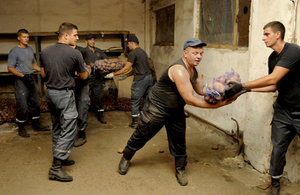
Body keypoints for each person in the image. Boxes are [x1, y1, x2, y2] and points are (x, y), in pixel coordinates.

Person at [117, 38, 232, 186]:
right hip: (157, 108)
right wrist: (217, 106)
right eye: (195, 53)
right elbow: (190, 99)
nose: (199, 56)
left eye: (201, 53)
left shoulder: (194, 71)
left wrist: (220, 92)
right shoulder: (178, 69)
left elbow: (202, 90)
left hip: (176, 109)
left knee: (179, 139)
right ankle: (126, 157)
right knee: (142, 134)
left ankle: (180, 168)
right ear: (185, 53)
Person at [224, 21, 300, 195]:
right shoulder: (273, 58)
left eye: (266, 34)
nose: (263, 38)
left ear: (277, 34)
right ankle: (275, 183)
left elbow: (273, 79)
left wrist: (242, 84)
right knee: (278, 149)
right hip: (283, 109)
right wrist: (244, 90)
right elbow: (273, 87)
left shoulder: (293, 51)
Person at [40, 22, 90, 182]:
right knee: (69, 128)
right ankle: (56, 166)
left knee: (57, 127)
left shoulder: (45, 51)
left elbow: (42, 74)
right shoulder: (74, 53)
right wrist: (88, 69)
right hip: (64, 95)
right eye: (75, 35)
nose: (77, 38)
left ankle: (61, 157)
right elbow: (83, 77)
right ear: (65, 35)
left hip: (50, 94)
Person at [7, 29, 50, 138]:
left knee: (35, 102)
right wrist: (23, 76)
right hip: (21, 80)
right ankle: (21, 127)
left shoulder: (30, 49)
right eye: (24, 37)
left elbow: (33, 64)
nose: (26, 39)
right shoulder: (14, 51)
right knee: (22, 104)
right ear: (19, 38)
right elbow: (10, 68)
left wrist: (41, 69)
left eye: (27, 37)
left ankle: (36, 124)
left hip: (30, 78)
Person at [105, 35, 153, 129]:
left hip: (140, 79)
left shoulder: (133, 53)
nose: (127, 46)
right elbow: (137, 68)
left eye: (128, 44)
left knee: (135, 101)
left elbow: (126, 68)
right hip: (149, 78)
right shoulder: (143, 52)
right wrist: (126, 76)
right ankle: (148, 120)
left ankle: (135, 122)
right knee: (148, 100)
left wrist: (113, 74)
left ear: (131, 43)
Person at [85, 33, 108, 124]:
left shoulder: (98, 51)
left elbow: (105, 60)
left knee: (99, 97)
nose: (92, 41)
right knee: (85, 97)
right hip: (88, 78)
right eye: (90, 40)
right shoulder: (84, 51)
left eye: (93, 39)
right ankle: (83, 116)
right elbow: (83, 63)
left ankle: (100, 116)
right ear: (86, 41)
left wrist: (107, 67)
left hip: (98, 77)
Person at [73, 45, 92, 147]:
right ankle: (69, 135)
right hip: (68, 86)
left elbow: (89, 67)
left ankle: (81, 134)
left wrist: (83, 73)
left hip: (82, 85)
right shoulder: (61, 50)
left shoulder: (81, 51)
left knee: (81, 110)